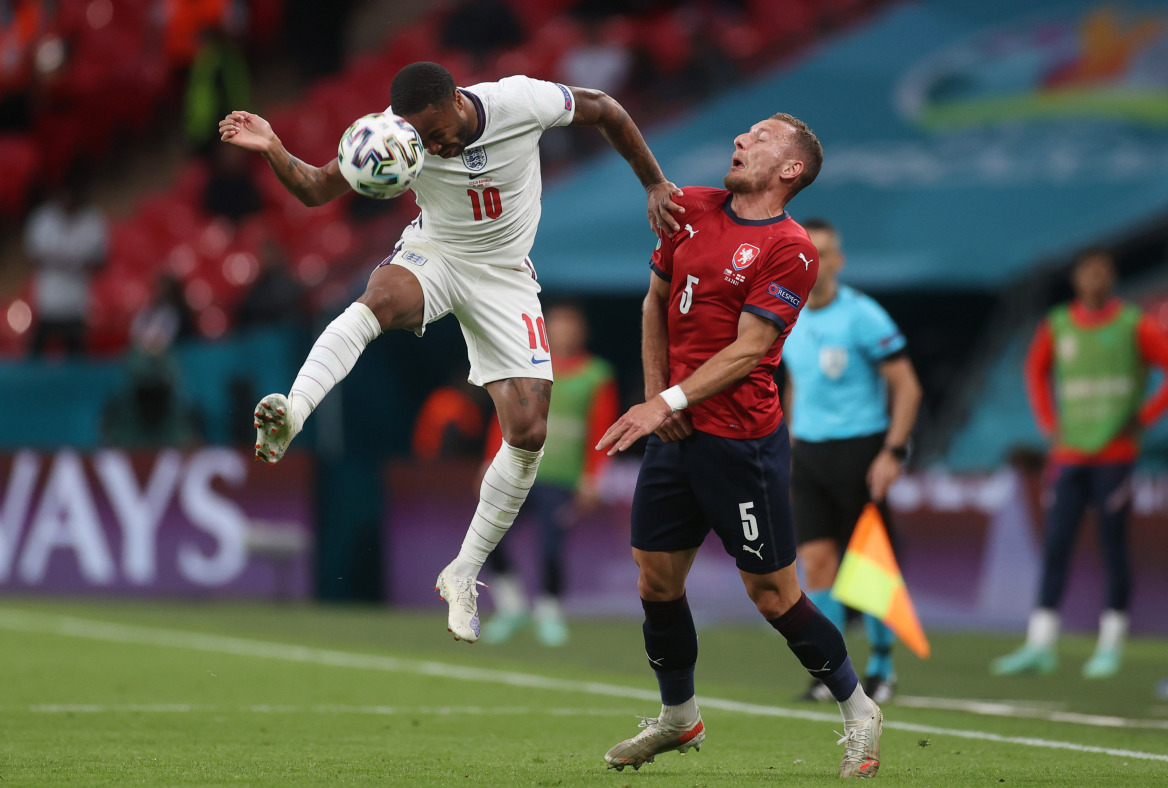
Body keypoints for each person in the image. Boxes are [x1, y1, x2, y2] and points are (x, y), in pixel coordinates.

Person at [218, 60, 684, 644]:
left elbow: (606, 109)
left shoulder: (521, 102)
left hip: (505, 276)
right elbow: (315, 189)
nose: (430, 148)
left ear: (457, 101)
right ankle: (293, 411)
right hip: (437, 255)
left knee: (529, 432)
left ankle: (463, 571)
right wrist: (273, 148)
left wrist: (654, 183)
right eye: (422, 140)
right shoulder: (391, 134)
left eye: (436, 134)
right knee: (378, 298)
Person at [596, 115, 882, 778]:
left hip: (740, 442)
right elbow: (655, 303)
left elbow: (750, 350)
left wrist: (665, 402)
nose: (739, 141)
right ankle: (679, 716)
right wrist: (658, 395)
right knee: (654, 576)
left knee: (774, 596)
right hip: (676, 430)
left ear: (790, 170)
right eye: (743, 134)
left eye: (760, 138)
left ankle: (860, 709)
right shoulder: (689, 209)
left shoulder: (792, 249)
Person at [993, 249, 1168, 679]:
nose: (1094, 279)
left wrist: (1145, 416)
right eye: (1088, 272)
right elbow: (1035, 371)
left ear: (1113, 278)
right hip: (1069, 455)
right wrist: (1049, 424)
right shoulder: (1058, 324)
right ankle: (1040, 644)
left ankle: (1110, 646)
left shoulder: (1134, 324)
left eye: (1102, 272)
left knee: (1114, 547)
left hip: (1115, 455)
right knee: (1056, 546)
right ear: (1077, 279)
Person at [779, 219, 922, 705]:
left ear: (838, 261)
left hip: (860, 452)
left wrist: (893, 452)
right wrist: (790, 442)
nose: (815, 263)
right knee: (817, 563)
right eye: (807, 253)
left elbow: (907, 386)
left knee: (868, 567)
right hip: (809, 455)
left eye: (824, 253)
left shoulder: (863, 315)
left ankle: (882, 669)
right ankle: (832, 672)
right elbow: (795, 384)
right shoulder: (787, 315)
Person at [482, 302, 620, 646]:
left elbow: (602, 428)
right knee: (488, 536)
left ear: (581, 332)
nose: (563, 333)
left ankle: (549, 613)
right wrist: (489, 462)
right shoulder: (524, 366)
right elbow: (505, 417)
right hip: (517, 472)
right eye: (557, 326)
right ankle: (511, 607)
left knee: (550, 548)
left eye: (569, 326)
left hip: (561, 477)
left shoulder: (596, 375)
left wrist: (593, 479)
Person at [24, 183, 109, 357]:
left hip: (77, 304)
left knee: (77, 357)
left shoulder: (92, 220)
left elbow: (101, 262)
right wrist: (68, 260)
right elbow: (32, 257)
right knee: (34, 355)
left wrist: (66, 260)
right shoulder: (43, 219)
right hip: (47, 303)